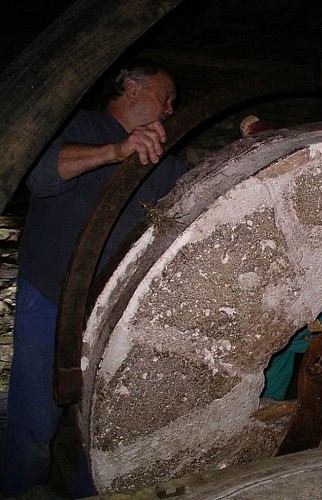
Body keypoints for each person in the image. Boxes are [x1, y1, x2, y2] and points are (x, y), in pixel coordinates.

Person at [1, 58, 188, 498]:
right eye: (166, 98)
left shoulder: (164, 160)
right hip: (51, 297)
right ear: (132, 90)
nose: (170, 110)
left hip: (115, 307)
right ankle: (18, 489)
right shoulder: (77, 125)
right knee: (35, 409)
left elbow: (202, 192)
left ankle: (94, 491)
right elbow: (41, 173)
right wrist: (117, 150)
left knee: (109, 413)